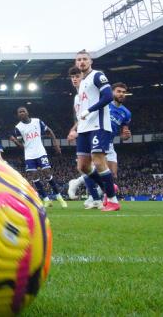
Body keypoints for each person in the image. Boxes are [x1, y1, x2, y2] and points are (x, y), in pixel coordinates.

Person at [73, 50, 120, 212]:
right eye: (79, 60)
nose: (82, 62)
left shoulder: (97, 75)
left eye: (85, 59)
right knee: (83, 166)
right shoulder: (82, 83)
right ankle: (109, 187)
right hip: (84, 128)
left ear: (90, 61)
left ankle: (113, 200)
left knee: (98, 161)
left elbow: (108, 97)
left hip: (98, 125)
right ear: (76, 63)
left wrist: (89, 111)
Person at [10, 106, 66, 208]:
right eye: (19, 112)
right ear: (18, 115)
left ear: (27, 112)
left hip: (40, 152)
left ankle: (59, 197)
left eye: (23, 111)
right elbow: (23, 145)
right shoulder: (18, 128)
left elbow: (50, 132)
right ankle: (46, 199)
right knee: (34, 177)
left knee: (47, 173)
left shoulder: (37, 121)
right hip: (29, 155)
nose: (21, 113)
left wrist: (56, 145)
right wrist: (15, 141)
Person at [65, 66, 102, 208]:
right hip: (84, 131)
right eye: (72, 77)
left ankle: (102, 194)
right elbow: (80, 118)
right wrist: (74, 130)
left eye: (77, 76)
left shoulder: (90, 91)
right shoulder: (76, 97)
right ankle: (95, 198)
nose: (74, 79)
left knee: (102, 167)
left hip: (96, 130)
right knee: (84, 166)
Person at [106, 82, 132, 184]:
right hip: (98, 140)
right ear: (112, 92)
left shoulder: (126, 113)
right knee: (101, 172)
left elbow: (123, 135)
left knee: (113, 175)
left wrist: (126, 136)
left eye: (123, 92)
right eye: (119, 91)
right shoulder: (104, 104)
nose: (121, 94)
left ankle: (105, 198)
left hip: (110, 144)